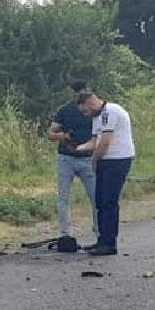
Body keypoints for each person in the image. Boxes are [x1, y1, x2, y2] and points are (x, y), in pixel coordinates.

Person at [75, 91, 135, 256]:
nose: (86, 115)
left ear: (90, 104)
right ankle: (102, 240)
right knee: (100, 201)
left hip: (117, 160)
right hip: (105, 160)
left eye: (85, 111)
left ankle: (110, 243)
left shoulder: (111, 111)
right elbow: (94, 142)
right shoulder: (97, 117)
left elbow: (105, 142)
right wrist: (77, 148)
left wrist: (93, 160)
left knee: (109, 201)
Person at [46, 80, 96, 243]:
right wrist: (64, 136)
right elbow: (51, 133)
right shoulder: (64, 111)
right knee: (63, 197)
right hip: (66, 157)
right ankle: (66, 234)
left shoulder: (93, 111)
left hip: (88, 158)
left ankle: (99, 231)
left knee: (96, 196)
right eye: (77, 93)